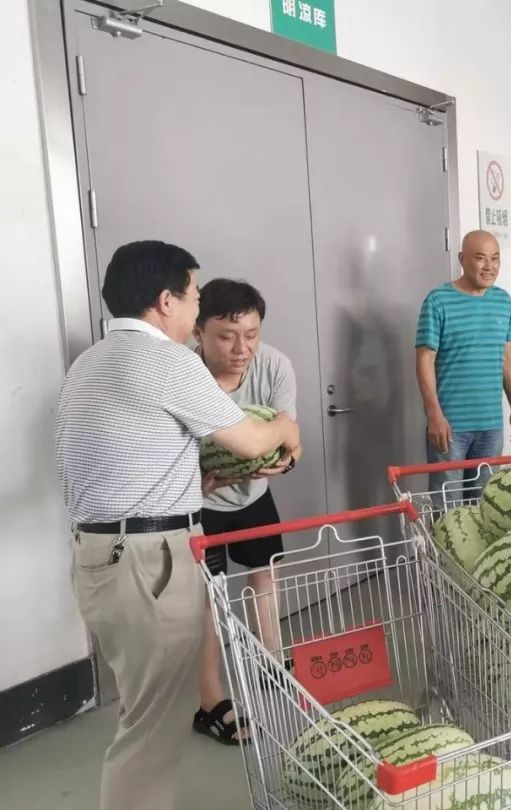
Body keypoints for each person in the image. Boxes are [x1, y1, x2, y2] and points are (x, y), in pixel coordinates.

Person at [54, 240, 300, 810]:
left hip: (100, 556)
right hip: (149, 562)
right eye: (193, 296)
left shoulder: (89, 363)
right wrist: (286, 429)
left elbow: (116, 457)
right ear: (166, 301)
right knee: (151, 732)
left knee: (144, 712)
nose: (196, 308)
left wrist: (191, 480)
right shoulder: (169, 360)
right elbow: (249, 439)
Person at [192, 279, 301, 745]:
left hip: (255, 495)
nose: (242, 349)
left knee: (265, 574)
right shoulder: (184, 376)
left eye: (251, 335)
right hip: (200, 503)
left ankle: (271, 661)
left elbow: (288, 433)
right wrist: (193, 479)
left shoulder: (274, 365)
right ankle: (211, 698)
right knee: (207, 599)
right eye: (227, 337)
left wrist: (287, 459)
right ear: (198, 332)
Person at [416, 230, 511, 502]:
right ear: (462, 259)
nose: (489, 266)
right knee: (447, 508)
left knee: (485, 505)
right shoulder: (438, 300)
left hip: (491, 426)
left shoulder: (503, 301)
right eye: (480, 258)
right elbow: (424, 359)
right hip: (450, 426)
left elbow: (507, 356)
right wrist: (434, 415)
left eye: (495, 258)